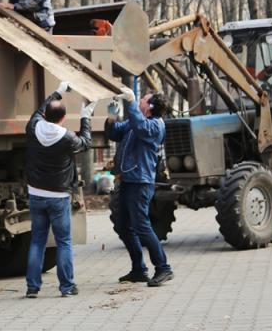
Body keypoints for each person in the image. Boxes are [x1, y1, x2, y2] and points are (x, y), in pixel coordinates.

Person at [24, 81, 95, 298]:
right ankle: (67, 287)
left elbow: (38, 110)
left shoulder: (33, 126)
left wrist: (59, 90)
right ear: (63, 118)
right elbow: (85, 142)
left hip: (36, 193)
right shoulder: (66, 138)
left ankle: (32, 288)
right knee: (63, 241)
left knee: (37, 241)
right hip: (58, 196)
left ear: (45, 114)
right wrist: (86, 116)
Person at [107, 87, 174, 287]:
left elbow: (141, 128)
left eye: (143, 99)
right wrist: (111, 118)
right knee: (122, 226)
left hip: (140, 181)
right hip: (127, 179)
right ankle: (138, 269)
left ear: (151, 106)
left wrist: (129, 103)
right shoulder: (136, 121)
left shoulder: (155, 125)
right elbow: (115, 133)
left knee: (141, 226)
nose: (139, 101)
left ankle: (163, 268)